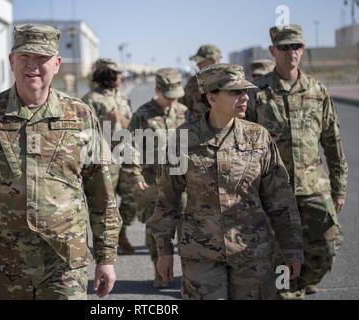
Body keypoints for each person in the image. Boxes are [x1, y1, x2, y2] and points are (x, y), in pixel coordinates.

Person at [0, 24, 122, 300]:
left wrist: (106, 257)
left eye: (42, 58)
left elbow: (101, 192)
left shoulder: (80, 116)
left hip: (64, 264)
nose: (32, 66)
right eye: (25, 57)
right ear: (12, 61)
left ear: (57, 64)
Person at [147, 64, 303, 300]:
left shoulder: (258, 137)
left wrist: (292, 249)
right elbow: (167, 200)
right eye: (234, 92)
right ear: (211, 97)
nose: (244, 98)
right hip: (201, 255)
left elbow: (280, 199)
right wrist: (164, 251)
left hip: (252, 252)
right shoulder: (182, 140)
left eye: (245, 92)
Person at [246, 24, 348, 299]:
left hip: (313, 187)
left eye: (297, 46)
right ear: (273, 51)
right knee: (279, 257)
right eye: (285, 47)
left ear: (302, 49)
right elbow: (243, 146)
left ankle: (299, 284)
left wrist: (339, 186)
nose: (291, 52)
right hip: (272, 190)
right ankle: (287, 292)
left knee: (327, 247)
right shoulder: (257, 93)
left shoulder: (317, 91)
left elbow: (332, 141)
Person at [122, 68, 187, 288]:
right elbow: (129, 146)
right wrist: (134, 174)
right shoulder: (143, 115)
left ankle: (190, 276)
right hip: (153, 183)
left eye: (175, 97)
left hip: (184, 183)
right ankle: (159, 270)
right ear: (157, 90)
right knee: (155, 230)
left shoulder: (186, 113)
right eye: (167, 97)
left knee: (187, 230)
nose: (171, 102)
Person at [82, 59, 135, 255]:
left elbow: (130, 123)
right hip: (104, 158)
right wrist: (107, 121)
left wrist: (122, 120)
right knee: (105, 204)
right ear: (108, 76)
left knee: (134, 198)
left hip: (125, 154)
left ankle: (120, 230)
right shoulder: (90, 99)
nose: (121, 78)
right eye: (118, 75)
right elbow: (86, 132)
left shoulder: (121, 97)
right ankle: (105, 245)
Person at [180, 44, 221, 121]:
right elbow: (182, 107)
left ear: (213, 61)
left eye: (201, 61)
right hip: (198, 130)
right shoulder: (193, 82)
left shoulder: (231, 82)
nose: (197, 64)